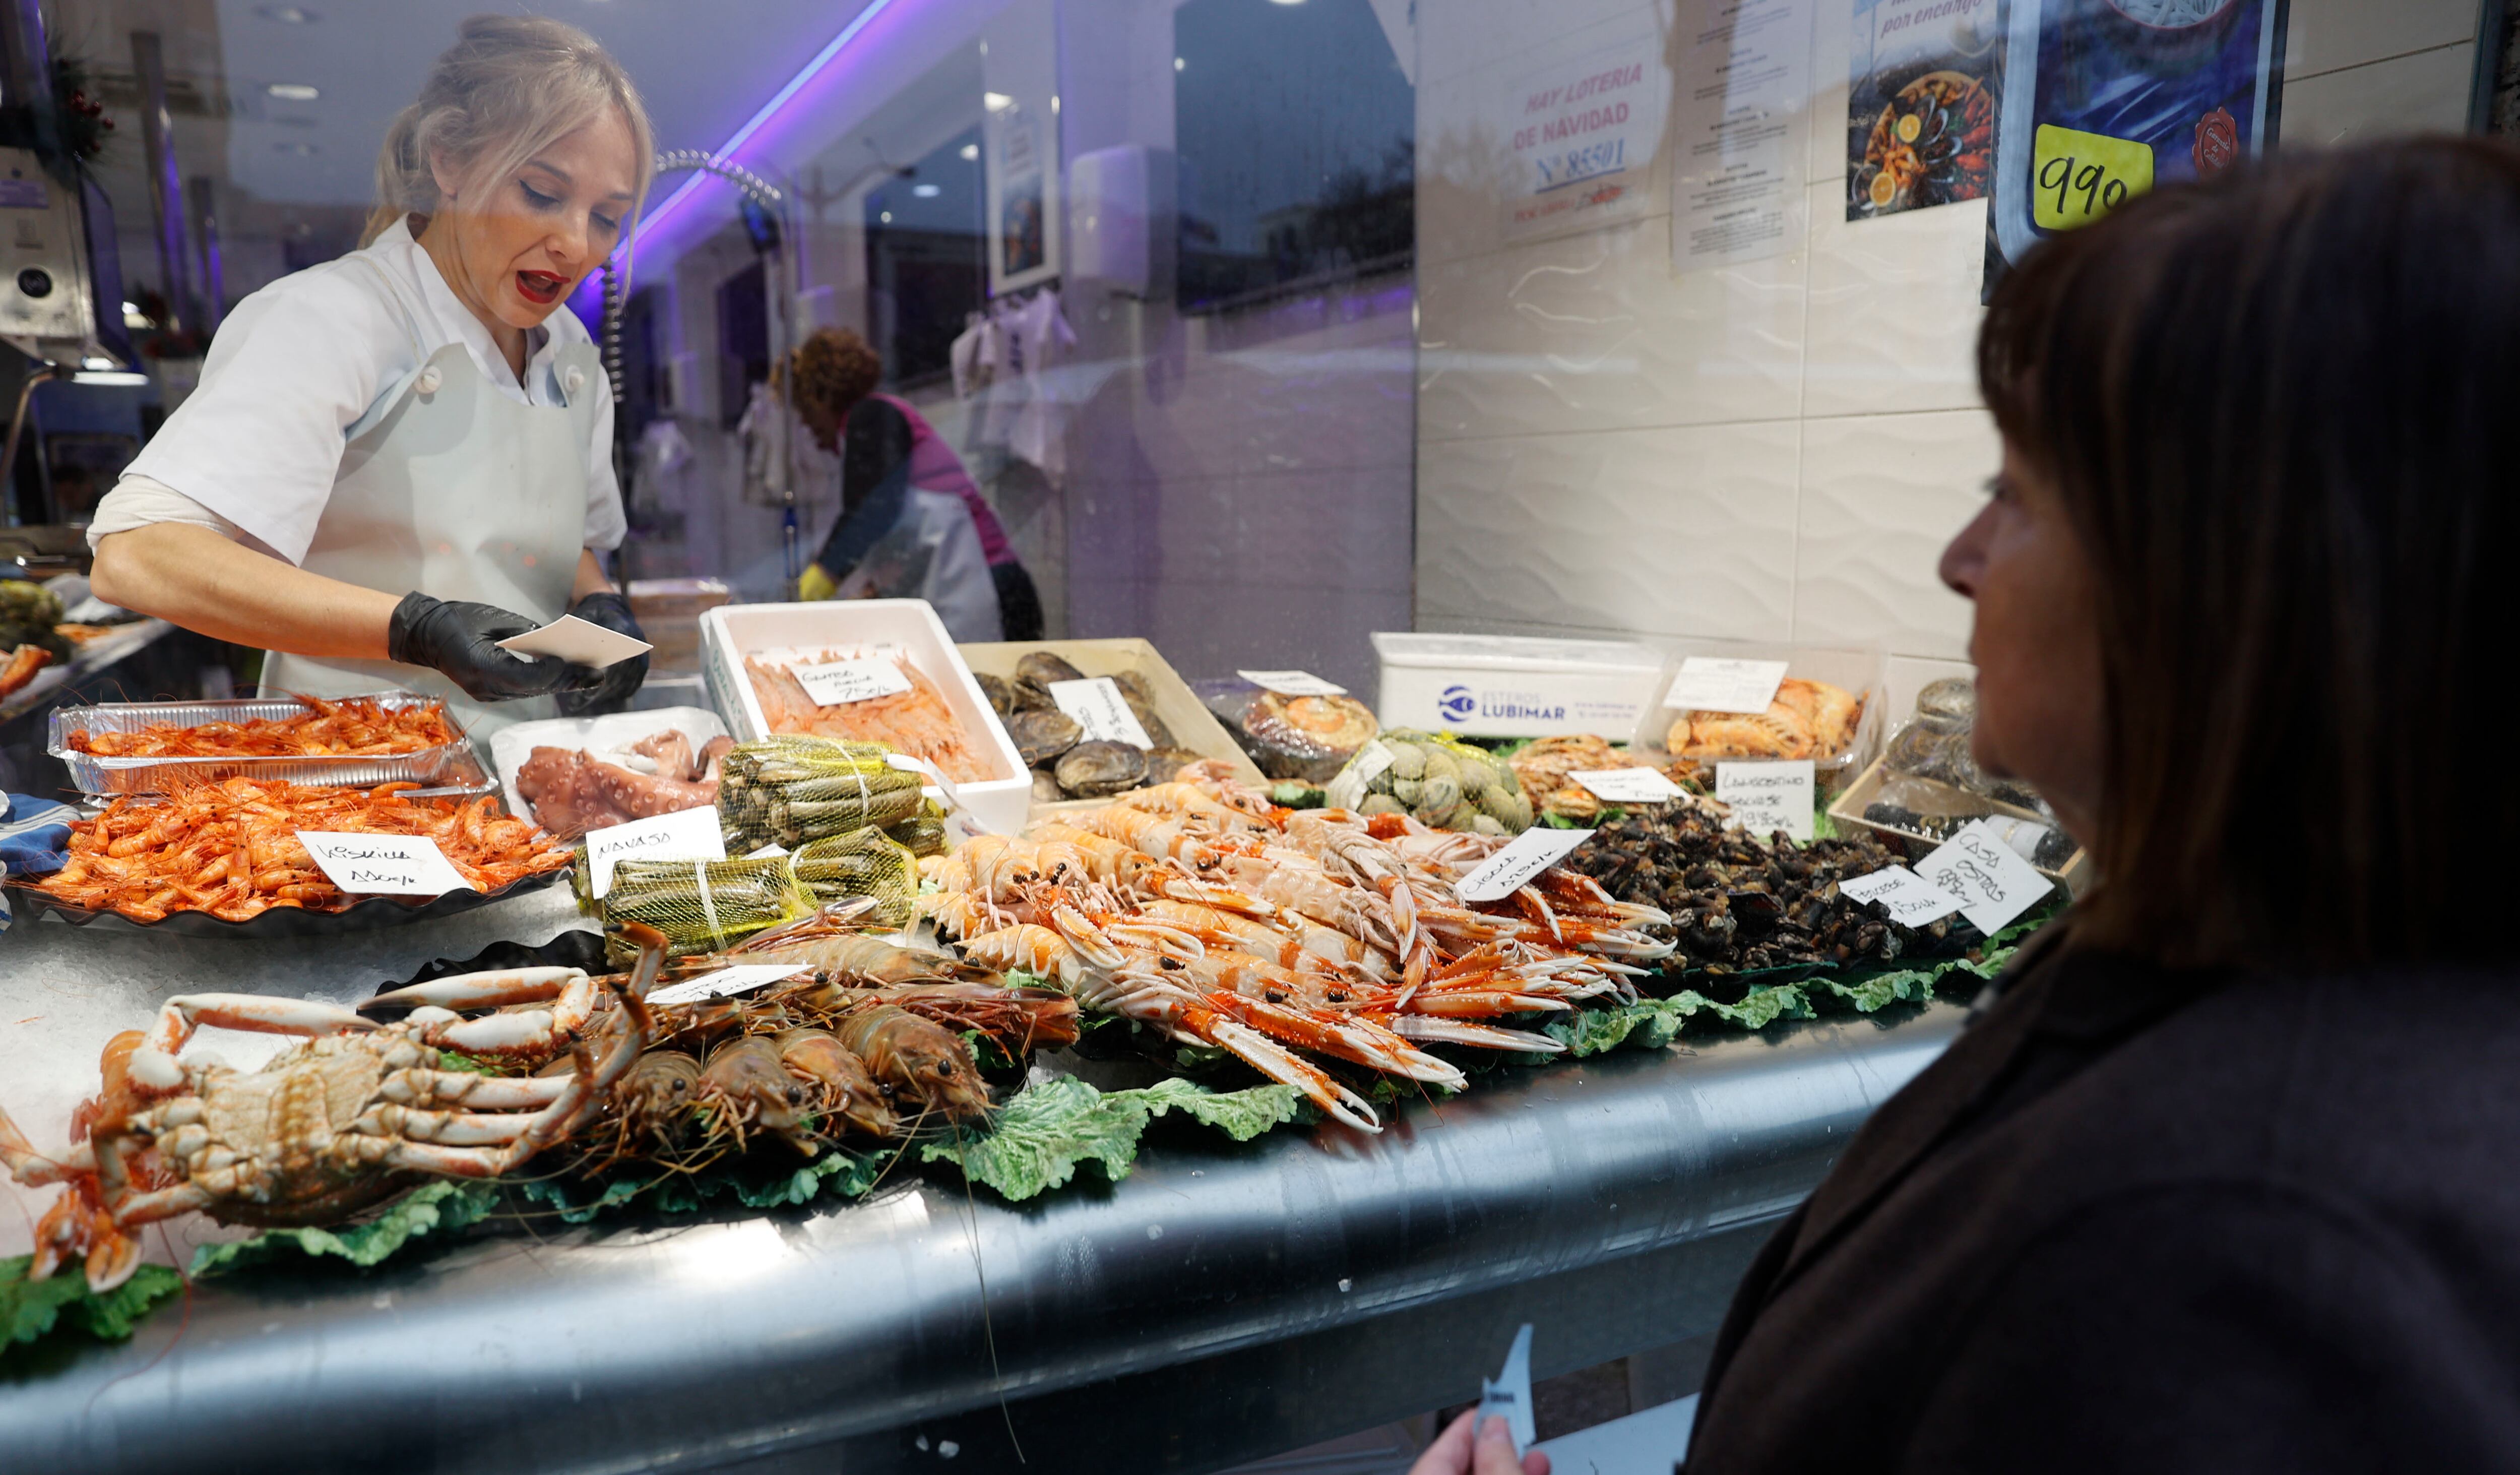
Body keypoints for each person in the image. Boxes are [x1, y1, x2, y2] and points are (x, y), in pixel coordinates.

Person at [1419, 139, 2520, 1475]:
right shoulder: (2232, 966)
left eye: (2018, 492)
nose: (1958, 560)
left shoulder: (2233, 1255)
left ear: (2226, 587)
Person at [85, 16, 654, 734]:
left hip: (519, 767)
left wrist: (597, 601)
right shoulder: (332, 318)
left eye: (607, 217)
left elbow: (544, 533)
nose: (577, 245)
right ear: (450, 162)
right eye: (542, 194)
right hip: (346, 777)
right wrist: (411, 626)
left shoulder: (569, 351)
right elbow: (139, 555)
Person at [785, 327, 1044, 641]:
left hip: (990, 590)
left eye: (805, 410)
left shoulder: (872, 416)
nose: (805, 424)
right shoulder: (875, 422)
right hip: (981, 587)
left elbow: (873, 511)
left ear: (821, 395)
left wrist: (821, 578)